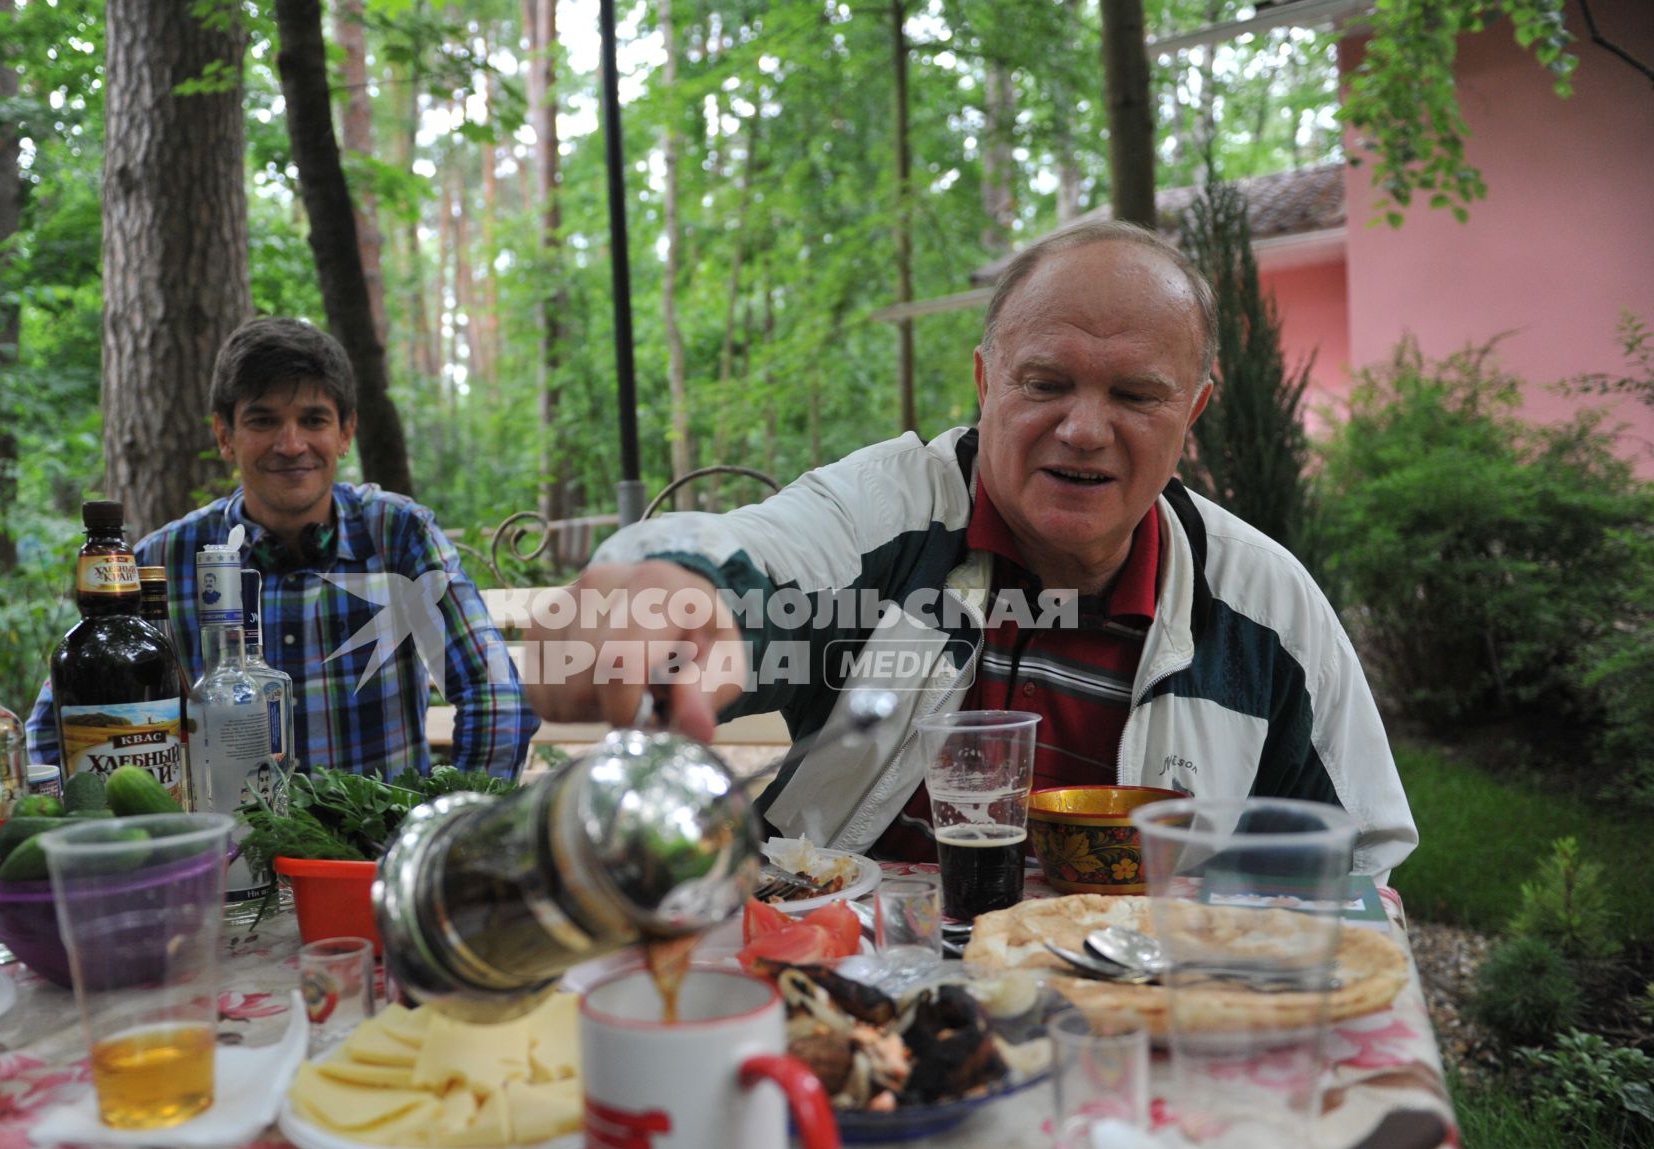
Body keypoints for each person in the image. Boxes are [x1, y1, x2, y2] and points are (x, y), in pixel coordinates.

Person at [523, 223, 1416, 881]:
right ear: (987, 382)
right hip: (838, 1007)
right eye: (1046, 382)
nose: (1083, 428)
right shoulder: (892, 513)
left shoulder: (1269, 613)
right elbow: (762, 551)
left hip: (1131, 1045)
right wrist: (670, 585)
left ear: (1195, 412)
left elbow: (1361, 866)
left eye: (1137, 395)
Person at [28, 316, 537, 780]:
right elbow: (53, 732)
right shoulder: (164, 562)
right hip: (226, 865)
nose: (291, 445)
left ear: (346, 433)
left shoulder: (397, 534)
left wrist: (448, 837)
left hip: (374, 858)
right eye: (263, 420)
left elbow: (495, 694)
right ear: (225, 435)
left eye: (313, 420)